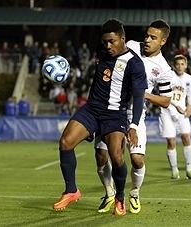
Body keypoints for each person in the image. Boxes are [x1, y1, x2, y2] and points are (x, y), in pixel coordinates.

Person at [52, 18, 147, 216]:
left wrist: (134, 125)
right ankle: (71, 190)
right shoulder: (101, 52)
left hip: (115, 114)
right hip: (92, 109)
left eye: (112, 41)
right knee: (66, 142)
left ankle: (120, 197)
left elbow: (138, 98)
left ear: (123, 38)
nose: (108, 45)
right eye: (105, 42)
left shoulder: (135, 64)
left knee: (116, 156)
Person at [94, 19, 173, 214]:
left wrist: (142, 93)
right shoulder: (130, 46)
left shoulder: (163, 69)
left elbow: (166, 101)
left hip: (134, 114)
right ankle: (109, 192)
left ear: (162, 41)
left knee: (137, 159)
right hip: (112, 109)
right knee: (102, 154)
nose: (147, 39)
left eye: (153, 37)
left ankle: (135, 192)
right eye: (146, 35)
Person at [160, 54, 191, 180]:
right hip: (167, 112)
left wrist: (190, 106)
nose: (180, 66)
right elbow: (163, 95)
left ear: (186, 65)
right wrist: (175, 105)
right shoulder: (168, 77)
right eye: (178, 64)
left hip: (182, 113)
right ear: (174, 66)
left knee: (186, 137)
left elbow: (190, 94)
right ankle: (174, 171)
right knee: (171, 141)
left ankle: (189, 169)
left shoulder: (189, 79)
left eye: (182, 64)